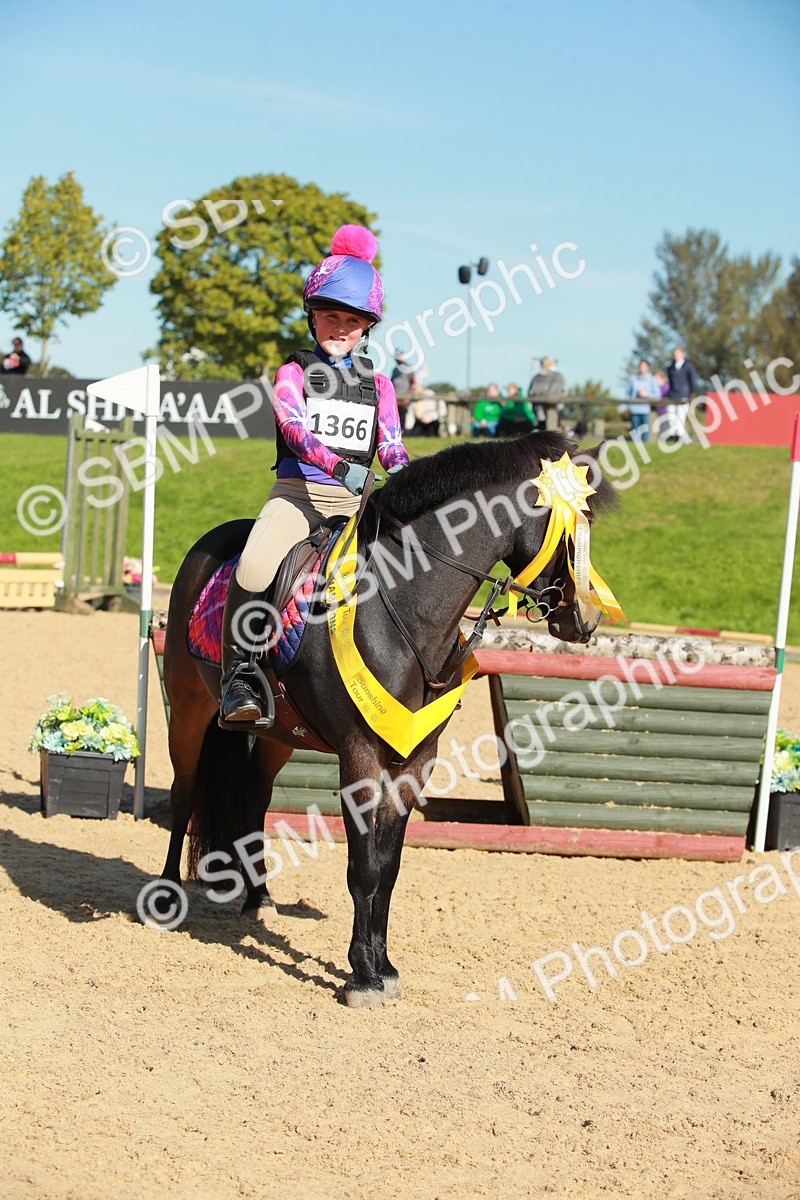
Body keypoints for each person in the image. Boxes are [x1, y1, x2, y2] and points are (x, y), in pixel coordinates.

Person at [219, 225, 409, 728]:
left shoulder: (381, 386)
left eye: (352, 319)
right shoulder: (294, 372)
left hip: (357, 504)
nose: (340, 327)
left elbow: (390, 447)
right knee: (255, 567)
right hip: (299, 497)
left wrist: (412, 481)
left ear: (366, 327)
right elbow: (293, 425)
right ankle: (239, 676)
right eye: (330, 316)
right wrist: (338, 466)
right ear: (312, 317)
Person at [666, 346, 698, 443]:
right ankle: (673, 435)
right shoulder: (671, 367)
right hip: (672, 395)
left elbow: (693, 381)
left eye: (678, 353)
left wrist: (691, 393)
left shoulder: (688, 366)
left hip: (683, 395)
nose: (676, 355)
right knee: (670, 415)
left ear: (682, 354)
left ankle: (680, 436)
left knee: (680, 417)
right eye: (675, 354)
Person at [625, 358, 660, 442]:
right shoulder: (633, 379)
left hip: (645, 410)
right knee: (635, 432)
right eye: (641, 366)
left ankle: (644, 449)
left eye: (644, 366)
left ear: (648, 367)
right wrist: (629, 405)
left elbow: (657, 394)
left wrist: (646, 394)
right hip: (634, 409)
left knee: (645, 433)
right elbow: (627, 393)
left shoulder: (651, 379)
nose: (642, 368)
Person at [527, 356, 566, 430]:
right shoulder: (558, 377)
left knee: (543, 430)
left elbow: (531, 393)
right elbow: (563, 392)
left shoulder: (536, 378)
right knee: (553, 429)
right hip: (555, 407)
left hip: (539, 408)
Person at [390, 349, 416, 428]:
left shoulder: (408, 368)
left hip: (404, 398)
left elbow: (413, 382)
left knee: (403, 416)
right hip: (395, 398)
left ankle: (403, 432)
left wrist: (408, 396)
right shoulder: (395, 370)